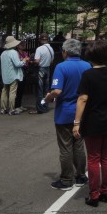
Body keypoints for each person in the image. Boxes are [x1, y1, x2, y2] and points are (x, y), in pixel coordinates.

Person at [72, 40, 107, 206]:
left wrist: (76, 122)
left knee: (93, 158)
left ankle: (94, 194)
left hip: (93, 122)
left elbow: (82, 99)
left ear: (90, 56)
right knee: (106, 156)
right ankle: (105, 191)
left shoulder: (88, 75)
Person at [45, 38, 91, 191]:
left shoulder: (61, 67)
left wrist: (48, 97)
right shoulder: (87, 65)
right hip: (82, 111)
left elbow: (57, 91)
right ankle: (80, 176)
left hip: (65, 112)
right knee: (78, 145)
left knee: (65, 147)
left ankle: (66, 179)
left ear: (65, 52)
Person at [0, 36, 29, 115]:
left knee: (4, 91)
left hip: (5, 75)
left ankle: (3, 108)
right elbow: (17, 64)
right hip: (13, 75)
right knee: (12, 92)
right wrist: (24, 60)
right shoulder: (13, 52)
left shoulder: (3, 53)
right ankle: (12, 109)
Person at [31, 33, 54, 114]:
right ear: (47, 39)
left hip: (41, 69)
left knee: (39, 90)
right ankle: (45, 106)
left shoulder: (39, 49)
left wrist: (31, 61)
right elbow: (51, 61)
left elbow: (37, 61)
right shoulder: (51, 49)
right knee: (46, 89)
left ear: (40, 40)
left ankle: (39, 108)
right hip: (48, 69)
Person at [14, 41, 29, 113]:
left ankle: (19, 105)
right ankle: (16, 106)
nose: (23, 46)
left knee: (22, 89)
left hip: (25, 71)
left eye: (24, 44)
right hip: (19, 71)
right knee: (18, 89)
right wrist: (24, 60)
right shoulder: (16, 53)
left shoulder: (25, 53)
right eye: (21, 44)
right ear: (18, 46)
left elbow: (26, 61)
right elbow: (18, 62)